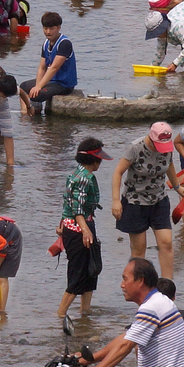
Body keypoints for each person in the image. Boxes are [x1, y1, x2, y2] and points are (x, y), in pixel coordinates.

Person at [112, 123, 182, 279]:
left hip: (159, 200)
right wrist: (116, 200)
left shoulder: (167, 147)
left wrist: (177, 186)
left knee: (166, 243)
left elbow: (169, 164)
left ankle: (167, 285)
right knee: (139, 249)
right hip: (135, 203)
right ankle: (138, 284)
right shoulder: (135, 148)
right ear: (151, 137)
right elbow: (118, 172)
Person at [57, 138, 109, 324]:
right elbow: (77, 209)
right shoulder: (84, 179)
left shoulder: (76, 174)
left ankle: (85, 314)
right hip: (79, 229)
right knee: (78, 274)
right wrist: (86, 231)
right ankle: (61, 314)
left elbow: (68, 202)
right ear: (94, 160)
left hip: (76, 226)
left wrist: (62, 223)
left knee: (90, 272)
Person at [20, 12, 77, 113]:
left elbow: (54, 68)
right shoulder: (46, 43)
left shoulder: (64, 44)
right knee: (23, 87)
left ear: (58, 28)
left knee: (37, 95)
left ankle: (35, 113)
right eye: (45, 28)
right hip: (51, 81)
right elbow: (42, 67)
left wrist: (39, 87)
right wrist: (37, 85)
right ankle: (26, 113)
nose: (48, 32)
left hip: (63, 84)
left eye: (51, 29)